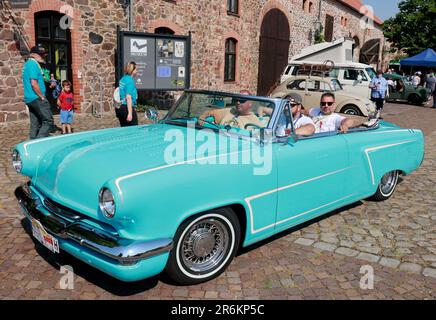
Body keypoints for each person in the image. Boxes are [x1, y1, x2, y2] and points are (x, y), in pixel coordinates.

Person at [22, 45, 54, 139]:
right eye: (41, 54)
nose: (43, 56)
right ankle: (39, 142)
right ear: (33, 54)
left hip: (30, 98)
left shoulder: (29, 63)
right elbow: (33, 83)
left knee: (35, 123)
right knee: (48, 121)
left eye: (44, 54)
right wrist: (42, 97)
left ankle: (32, 143)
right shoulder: (32, 64)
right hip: (36, 98)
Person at [199, 90, 263, 129]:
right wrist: (202, 119)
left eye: (242, 100)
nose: (238, 102)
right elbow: (209, 112)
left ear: (250, 103)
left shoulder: (255, 122)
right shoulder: (229, 111)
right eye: (236, 99)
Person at [117, 61, 139, 126]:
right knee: (133, 130)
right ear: (132, 70)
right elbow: (128, 97)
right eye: (136, 69)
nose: (137, 71)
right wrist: (130, 113)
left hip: (121, 108)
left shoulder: (123, 79)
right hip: (127, 108)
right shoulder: (130, 81)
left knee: (124, 130)